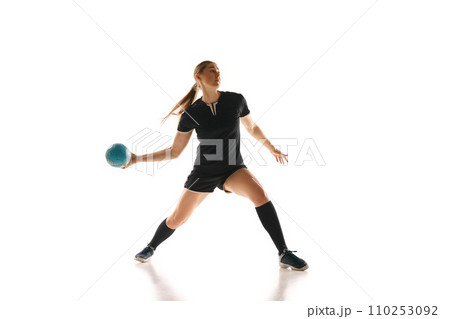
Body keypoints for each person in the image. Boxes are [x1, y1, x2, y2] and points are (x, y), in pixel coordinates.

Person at [122, 60, 308, 271]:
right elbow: (174, 152)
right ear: (198, 77)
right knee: (177, 219)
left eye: (219, 71)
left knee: (260, 195)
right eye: (212, 71)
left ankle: (283, 252)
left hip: (233, 169)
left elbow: (252, 127)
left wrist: (271, 147)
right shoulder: (191, 113)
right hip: (204, 172)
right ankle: (150, 247)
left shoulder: (236, 100)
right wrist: (137, 158)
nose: (218, 74)